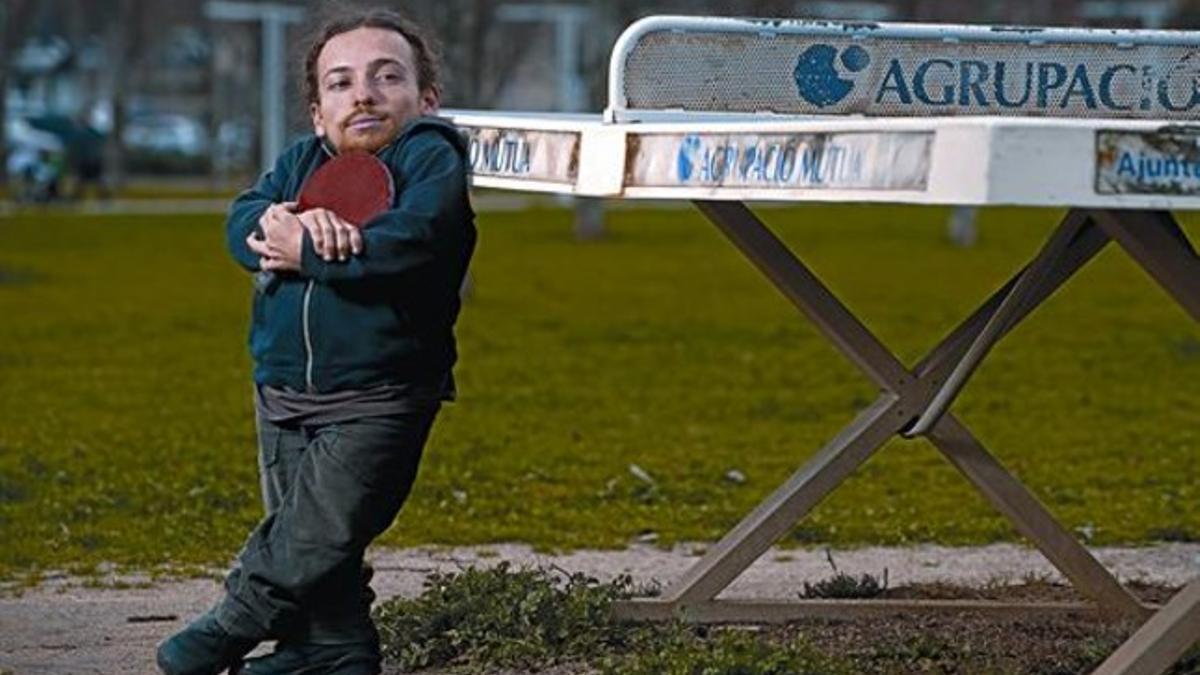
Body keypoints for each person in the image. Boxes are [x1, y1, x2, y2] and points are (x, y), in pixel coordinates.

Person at [156, 7, 476, 675]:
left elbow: (414, 239)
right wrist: (268, 224)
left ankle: (237, 617)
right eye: (341, 82)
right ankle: (334, 650)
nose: (363, 93)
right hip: (281, 388)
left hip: (378, 393)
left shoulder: (430, 159)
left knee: (315, 530)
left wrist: (317, 251)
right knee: (315, 533)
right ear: (316, 110)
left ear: (427, 98)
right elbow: (244, 214)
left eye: (387, 76)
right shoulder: (301, 162)